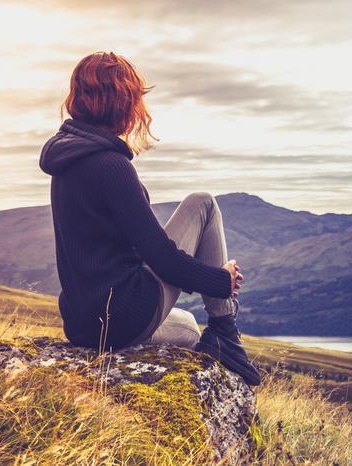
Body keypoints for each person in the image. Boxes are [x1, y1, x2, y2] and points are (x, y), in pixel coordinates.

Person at [39, 52, 260, 386]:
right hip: (123, 316)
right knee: (203, 203)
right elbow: (162, 258)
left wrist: (191, 274)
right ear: (122, 101)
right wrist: (219, 280)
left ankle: (214, 338)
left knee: (185, 326)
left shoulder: (65, 160)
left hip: (83, 324)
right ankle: (225, 332)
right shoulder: (112, 166)